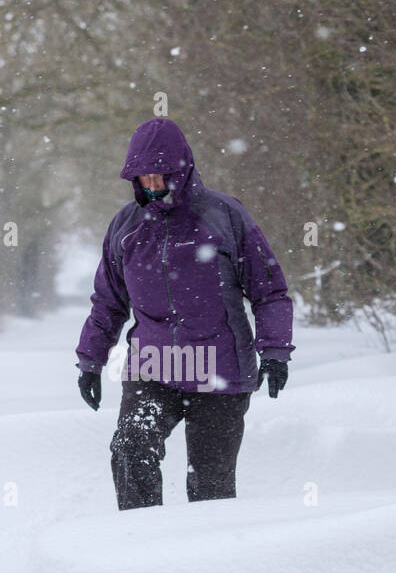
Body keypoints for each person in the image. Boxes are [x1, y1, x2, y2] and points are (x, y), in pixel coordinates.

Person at [74, 117, 295, 510]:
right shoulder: (126, 226)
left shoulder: (224, 216)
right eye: (144, 178)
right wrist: (90, 361)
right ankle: (139, 543)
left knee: (211, 484)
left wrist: (275, 351)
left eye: (161, 176)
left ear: (181, 170)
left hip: (219, 368)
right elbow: (109, 300)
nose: (153, 186)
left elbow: (269, 290)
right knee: (130, 450)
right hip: (153, 364)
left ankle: (202, 564)